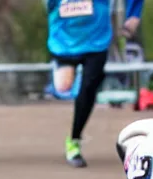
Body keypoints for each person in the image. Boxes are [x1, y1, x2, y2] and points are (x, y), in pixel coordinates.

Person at [46, 0, 143, 168]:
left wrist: (133, 14)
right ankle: (73, 82)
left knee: (88, 88)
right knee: (63, 87)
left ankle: (74, 140)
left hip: (96, 41)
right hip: (64, 42)